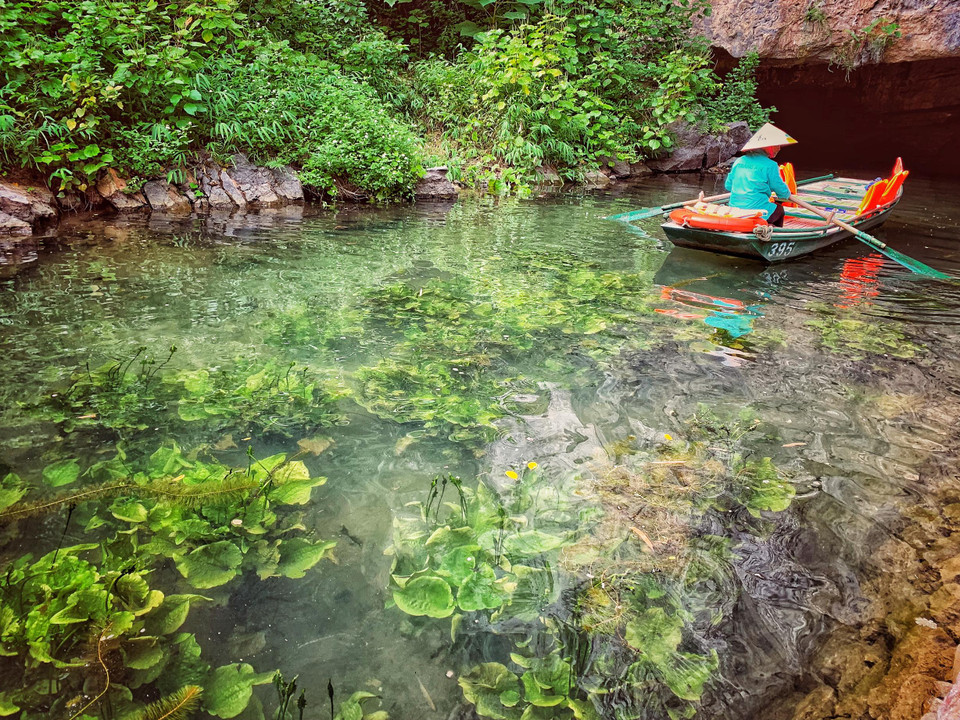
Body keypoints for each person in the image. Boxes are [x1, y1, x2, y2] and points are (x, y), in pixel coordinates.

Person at [724, 123, 797, 227]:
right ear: (768, 147)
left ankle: (766, 226)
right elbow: (780, 189)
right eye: (777, 145)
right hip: (756, 209)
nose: (779, 148)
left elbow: (728, 186)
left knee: (770, 205)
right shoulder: (771, 165)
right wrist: (786, 194)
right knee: (779, 209)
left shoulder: (739, 161)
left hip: (735, 207)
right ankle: (773, 231)